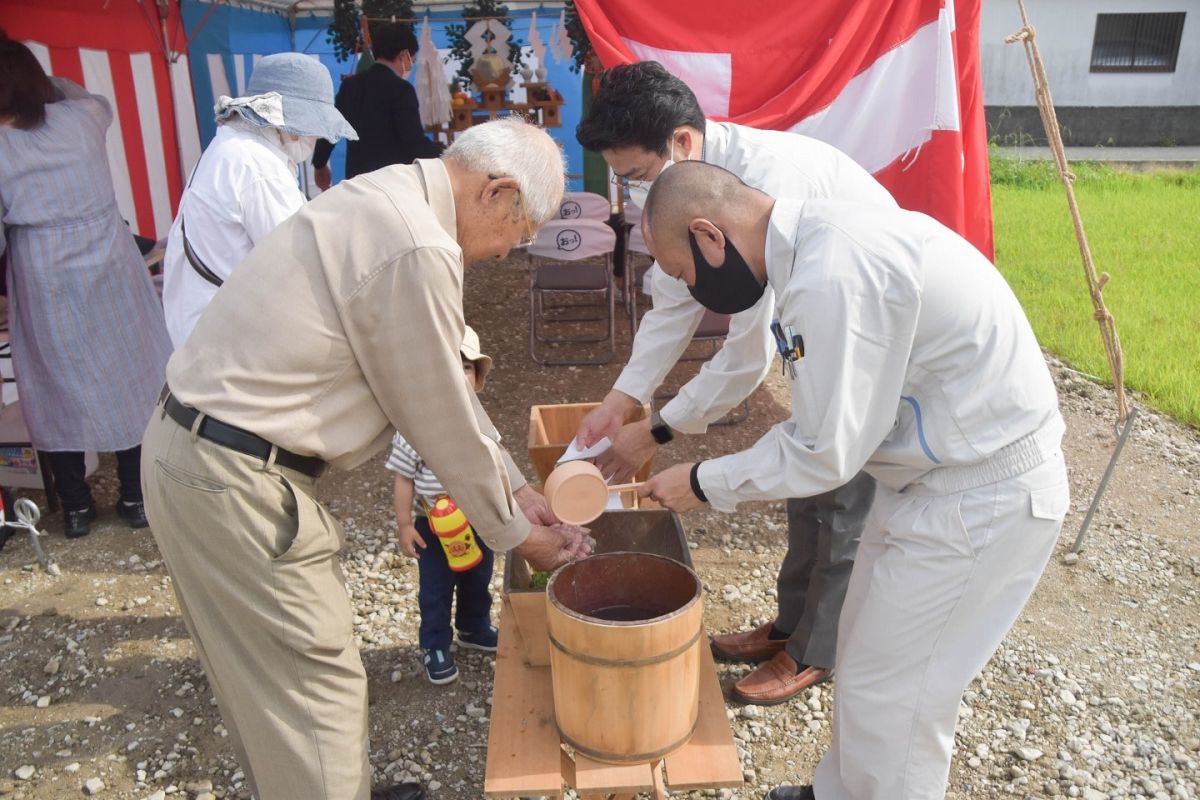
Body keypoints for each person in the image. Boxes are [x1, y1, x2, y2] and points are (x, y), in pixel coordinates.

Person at [141, 117, 588, 800]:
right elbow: (436, 406)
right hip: (234, 477)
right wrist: (517, 532)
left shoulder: (392, 194)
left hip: (193, 451)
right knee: (312, 687)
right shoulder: (417, 243)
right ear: (497, 192)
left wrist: (518, 487)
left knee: (265, 685)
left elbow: (438, 381)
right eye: (518, 234)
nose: (504, 253)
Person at [638, 161, 1070, 800]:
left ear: (708, 235)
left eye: (681, 272)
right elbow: (828, 425)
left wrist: (703, 482)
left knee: (900, 693)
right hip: (923, 478)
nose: (692, 288)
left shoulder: (834, 272)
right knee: (864, 660)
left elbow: (824, 451)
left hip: (981, 493)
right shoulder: (811, 248)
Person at [572, 61, 894, 705]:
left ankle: (816, 647)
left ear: (683, 144)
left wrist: (657, 431)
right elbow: (673, 300)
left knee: (840, 483)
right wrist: (623, 398)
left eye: (637, 176)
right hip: (817, 335)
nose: (634, 196)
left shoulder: (763, 189)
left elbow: (749, 359)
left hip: (863, 337)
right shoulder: (688, 193)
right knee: (809, 493)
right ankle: (788, 626)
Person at [0, 33, 171, 538]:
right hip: (108, 257)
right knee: (128, 373)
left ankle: (75, 508)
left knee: (56, 383)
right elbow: (81, 93)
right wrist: (42, 86)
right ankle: (135, 497)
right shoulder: (81, 119)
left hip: (43, 268)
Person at [162, 53, 356, 348]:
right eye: (312, 130)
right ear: (286, 123)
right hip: (226, 341)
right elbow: (303, 262)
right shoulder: (257, 165)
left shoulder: (232, 146)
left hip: (205, 328)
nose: (315, 138)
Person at [389, 325, 506, 685]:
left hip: (476, 519)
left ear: (477, 378)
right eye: (447, 366)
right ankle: (435, 645)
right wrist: (406, 524)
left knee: (478, 576)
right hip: (432, 525)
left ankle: (473, 627)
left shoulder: (481, 424)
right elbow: (403, 478)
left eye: (467, 367)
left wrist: (502, 510)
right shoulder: (416, 429)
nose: (457, 375)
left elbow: (497, 467)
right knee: (436, 587)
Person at [312, 21, 442, 190]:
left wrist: (320, 164)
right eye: (413, 59)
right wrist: (445, 157)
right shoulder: (402, 90)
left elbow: (331, 127)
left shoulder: (350, 86)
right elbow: (413, 142)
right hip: (393, 184)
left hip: (357, 182)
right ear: (404, 55)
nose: (411, 65)